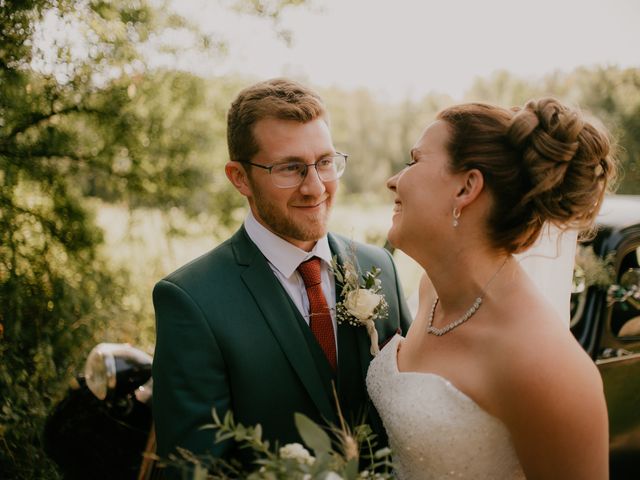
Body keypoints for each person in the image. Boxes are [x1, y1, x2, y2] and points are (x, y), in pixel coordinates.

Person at [152, 78, 412, 469]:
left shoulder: (380, 268)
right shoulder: (191, 300)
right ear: (239, 177)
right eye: (290, 168)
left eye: (325, 162)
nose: (315, 187)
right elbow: (195, 470)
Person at [366, 97, 617, 479]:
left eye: (414, 161)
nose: (393, 180)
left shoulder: (545, 364)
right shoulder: (431, 292)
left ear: (466, 188)